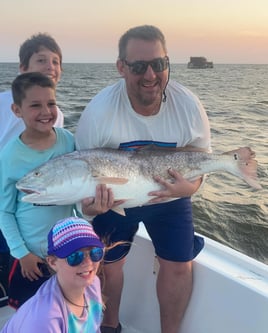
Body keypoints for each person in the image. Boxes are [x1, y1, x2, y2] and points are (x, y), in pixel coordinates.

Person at [75, 25, 211, 333]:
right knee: (107, 265)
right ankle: (110, 326)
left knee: (178, 265)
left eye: (159, 64)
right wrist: (92, 207)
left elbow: (201, 165)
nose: (150, 75)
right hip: (115, 197)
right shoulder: (99, 112)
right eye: (138, 66)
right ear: (121, 67)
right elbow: (82, 174)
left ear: (167, 63)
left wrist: (190, 187)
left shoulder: (188, 107)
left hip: (170, 197)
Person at [0, 72, 76, 309]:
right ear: (16, 110)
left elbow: (78, 196)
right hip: (29, 257)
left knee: (64, 310)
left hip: (65, 251)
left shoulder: (69, 142)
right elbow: (4, 211)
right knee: (28, 314)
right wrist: (21, 253)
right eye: (35, 105)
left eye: (51, 103)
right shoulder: (9, 156)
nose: (46, 111)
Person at [0, 217, 105, 333]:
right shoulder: (44, 319)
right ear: (52, 262)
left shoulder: (93, 283)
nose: (88, 262)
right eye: (75, 256)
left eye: (95, 253)